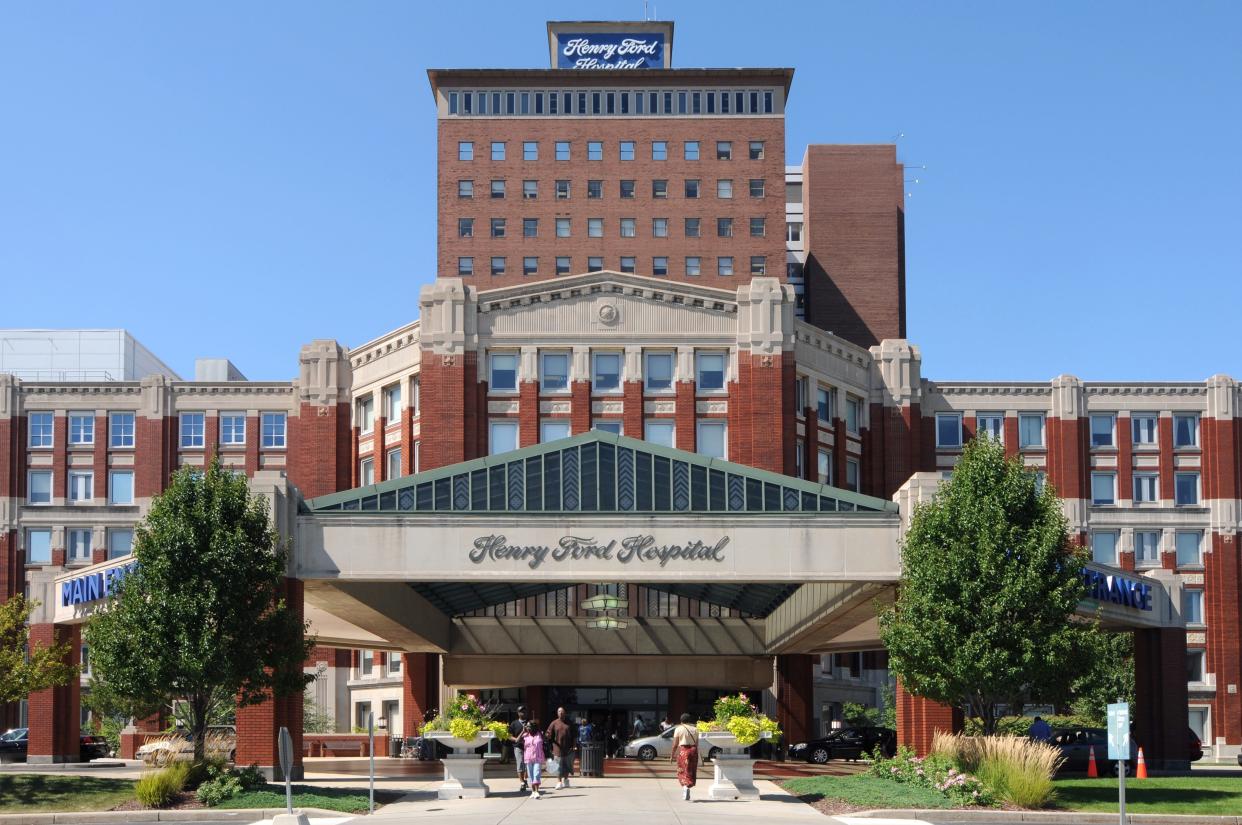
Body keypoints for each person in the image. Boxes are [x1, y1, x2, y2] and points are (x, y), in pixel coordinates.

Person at [669, 712, 699, 801]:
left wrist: (671, 755)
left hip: (683, 751)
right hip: (693, 751)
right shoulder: (695, 729)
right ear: (689, 720)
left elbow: (675, 744)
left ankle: (685, 788)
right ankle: (688, 786)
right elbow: (697, 744)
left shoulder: (678, 729)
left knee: (682, 770)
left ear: (681, 720)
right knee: (691, 770)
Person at [545, 706, 576, 790]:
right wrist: (547, 735)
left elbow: (574, 736)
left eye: (562, 712)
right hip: (557, 748)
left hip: (568, 748)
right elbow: (548, 733)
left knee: (567, 766)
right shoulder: (554, 723)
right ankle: (559, 782)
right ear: (557, 713)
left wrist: (574, 745)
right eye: (559, 712)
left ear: (565, 713)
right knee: (557, 766)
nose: (561, 713)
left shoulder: (569, 723)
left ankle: (566, 780)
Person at [517, 720, 545, 800]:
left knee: (536, 774)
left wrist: (539, 730)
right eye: (527, 726)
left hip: (538, 758)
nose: (528, 728)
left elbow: (546, 739)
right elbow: (517, 741)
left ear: (534, 727)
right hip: (528, 758)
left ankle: (537, 792)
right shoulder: (525, 735)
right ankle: (533, 792)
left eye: (529, 726)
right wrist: (523, 731)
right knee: (530, 776)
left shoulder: (540, 734)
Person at [509, 706, 530, 792]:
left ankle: (525, 780)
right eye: (521, 711)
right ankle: (522, 782)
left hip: (529, 746)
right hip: (518, 746)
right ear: (518, 713)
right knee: (520, 764)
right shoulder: (514, 723)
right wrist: (515, 739)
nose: (523, 713)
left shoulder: (530, 722)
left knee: (527, 765)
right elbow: (509, 736)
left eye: (525, 711)